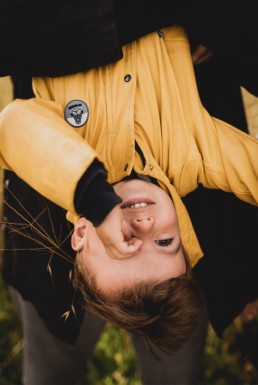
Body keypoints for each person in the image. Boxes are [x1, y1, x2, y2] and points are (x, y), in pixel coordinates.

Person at [1, 25, 258, 356]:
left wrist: (95, 199)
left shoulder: (74, 152)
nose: (145, 226)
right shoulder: (191, 157)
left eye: (121, 244)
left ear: (80, 233)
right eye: (165, 243)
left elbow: (14, 125)